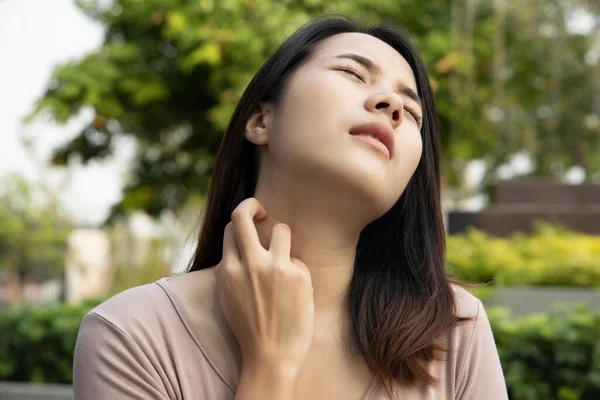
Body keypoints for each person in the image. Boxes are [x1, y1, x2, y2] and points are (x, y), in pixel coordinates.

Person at [73, 15, 508, 400]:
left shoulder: (454, 332)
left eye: (411, 111)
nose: (391, 105)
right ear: (262, 120)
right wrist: (270, 366)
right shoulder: (131, 336)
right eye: (352, 73)